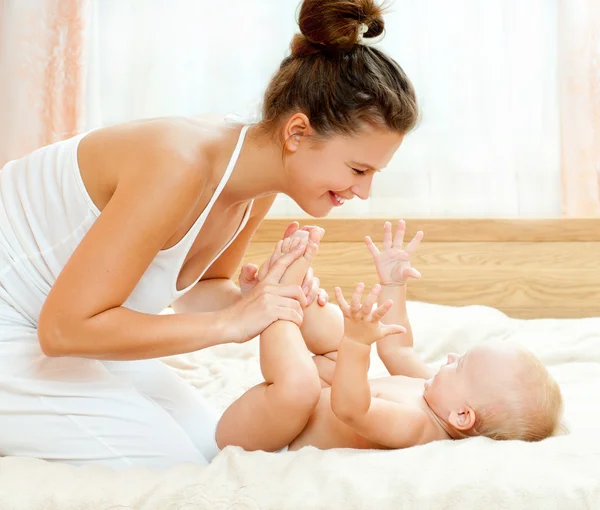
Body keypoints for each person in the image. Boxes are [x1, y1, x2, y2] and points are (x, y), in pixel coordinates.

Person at [0, 0, 419, 469]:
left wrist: (268, 300)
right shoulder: (177, 165)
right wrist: (232, 323)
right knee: (175, 468)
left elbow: (201, 292)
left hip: (64, 324)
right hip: (27, 324)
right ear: (297, 133)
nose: (364, 191)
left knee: (216, 451)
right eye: (358, 169)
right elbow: (63, 330)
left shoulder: (256, 181)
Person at [216, 221, 564, 454]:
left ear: (462, 416)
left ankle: (276, 298)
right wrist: (395, 284)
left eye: (460, 365)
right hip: (299, 410)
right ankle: (295, 296)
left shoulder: (416, 426)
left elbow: (352, 408)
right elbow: (398, 345)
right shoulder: (435, 393)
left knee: (302, 384)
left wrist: (358, 343)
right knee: (336, 340)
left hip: (264, 434)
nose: (448, 359)